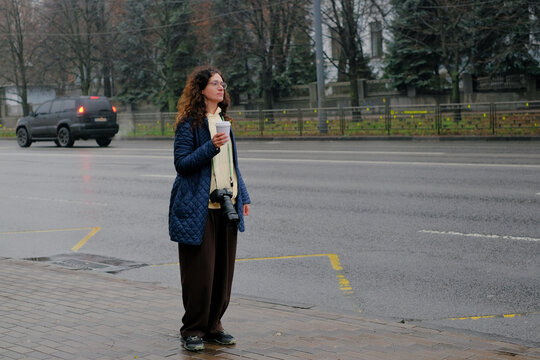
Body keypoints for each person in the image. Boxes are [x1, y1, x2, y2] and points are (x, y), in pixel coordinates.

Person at [168, 66, 251, 352]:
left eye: (223, 83)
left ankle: (214, 326)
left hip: (226, 205)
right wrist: (211, 147)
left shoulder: (223, 120)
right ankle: (192, 329)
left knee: (222, 273)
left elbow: (233, 166)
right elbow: (182, 164)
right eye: (215, 83)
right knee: (200, 273)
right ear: (201, 88)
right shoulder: (190, 124)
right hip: (198, 207)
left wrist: (245, 197)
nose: (221, 87)